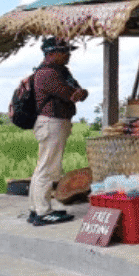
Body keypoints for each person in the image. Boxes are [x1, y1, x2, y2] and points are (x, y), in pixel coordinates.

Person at [28, 37, 89, 226]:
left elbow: (81, 92)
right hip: (52, 122)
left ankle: (36, 209)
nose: (68, 55)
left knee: (45, 166)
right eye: (64, 52)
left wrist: (78, 93)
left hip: (57, 122)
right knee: (48, 168)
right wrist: (76, 93)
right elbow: (70, 94)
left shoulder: (61, 71)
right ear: (51, 54)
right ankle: (43, 212)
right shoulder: (47, 74)